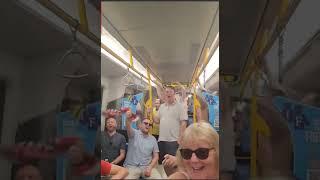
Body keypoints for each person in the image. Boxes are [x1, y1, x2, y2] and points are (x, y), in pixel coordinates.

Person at [154, 85, 188, 175]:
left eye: (169, 91)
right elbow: (156, 120)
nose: (167, 93)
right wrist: (151, 113)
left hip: (174, 141)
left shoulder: (180, 106)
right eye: (166, 92)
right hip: (161, 140)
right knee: (163, 164)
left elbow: (183, 123)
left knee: (174, 164)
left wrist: (180, 138)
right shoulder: (161, 107)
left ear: (174, 94)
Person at [123, 109, 162, 179]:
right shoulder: (133, 133)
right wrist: (128, 119)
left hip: (146, 167)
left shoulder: (153, 139)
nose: (148, 125)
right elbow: (128, 125)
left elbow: (156, 156)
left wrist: (150, 167)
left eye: (149, 124)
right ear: (140, 125)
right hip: (132, 167)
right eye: (145, 123)